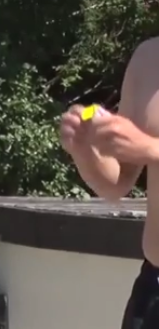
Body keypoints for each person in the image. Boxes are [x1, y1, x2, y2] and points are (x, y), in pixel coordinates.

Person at [59, 37, 159, 329]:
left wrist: (149, 148)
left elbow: (145, 148)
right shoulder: (148, 58)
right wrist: (85, 150)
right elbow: (118, 183)